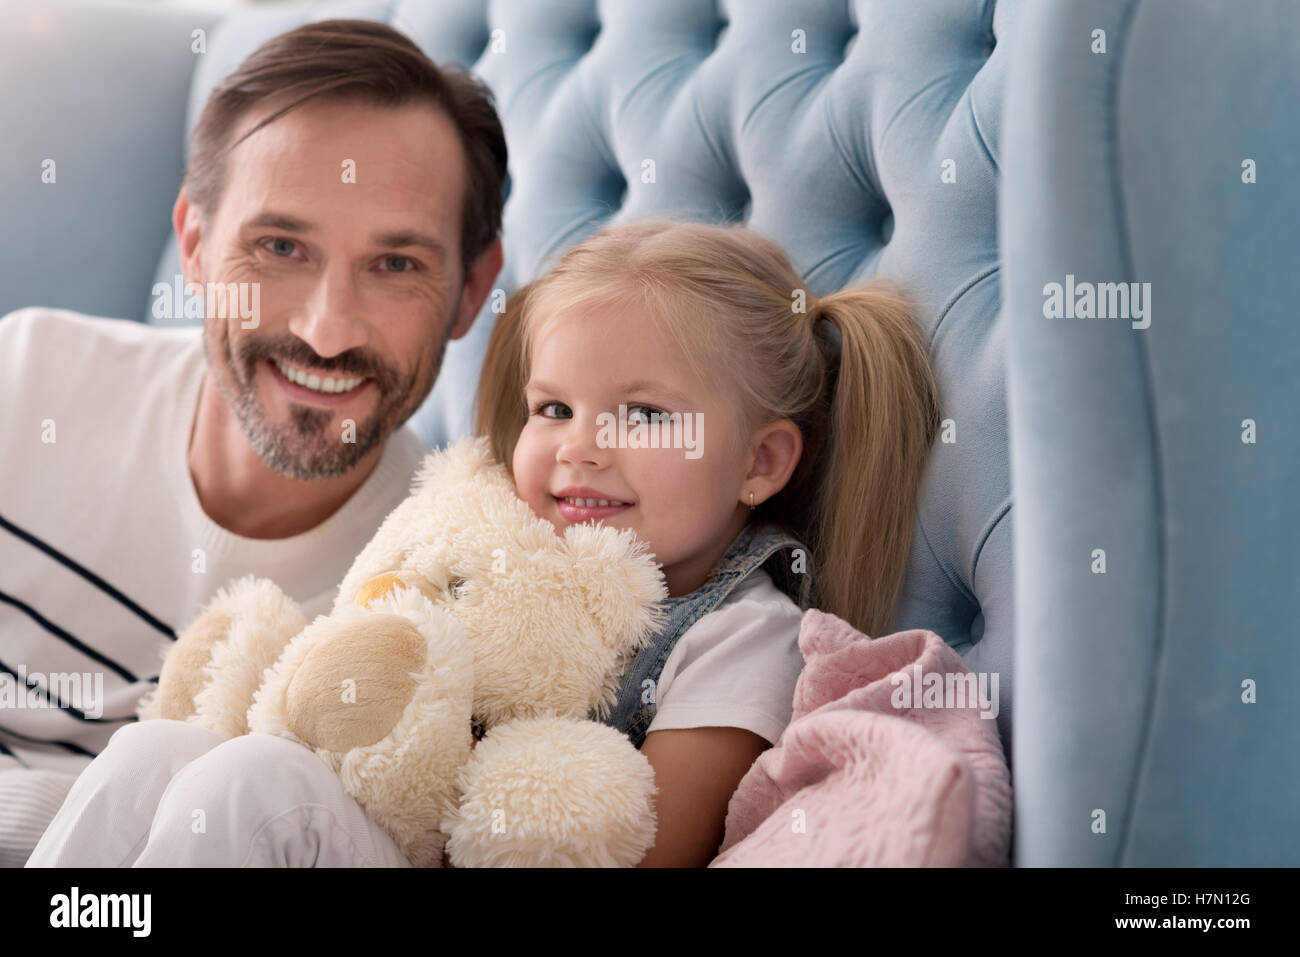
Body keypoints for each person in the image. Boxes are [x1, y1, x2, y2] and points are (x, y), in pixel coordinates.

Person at [28, 218, 940, 868]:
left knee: (262, 786)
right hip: (379, 820)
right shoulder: (505, 549)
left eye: (643, 413)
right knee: (158, 752)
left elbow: (650, 845)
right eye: (554, 408)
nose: (580, 444)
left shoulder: (742, 633)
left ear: (761, 461)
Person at [0, 19, 507, 867]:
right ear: (195, 247)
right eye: (281, 247)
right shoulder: (26, 377)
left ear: (469, 291)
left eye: (395, 266)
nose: (328, 331)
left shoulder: (444, 602)